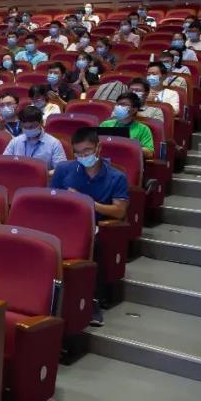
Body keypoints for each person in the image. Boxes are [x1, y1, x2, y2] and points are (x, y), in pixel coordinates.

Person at [50, 127, 130, 327]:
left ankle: (91, 300)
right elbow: (50, 201)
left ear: (98, 148)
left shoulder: (116, 176)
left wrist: (86, 202)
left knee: (95, 243)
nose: (83, 156)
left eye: (87, 151)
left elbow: (119, 211)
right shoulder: (64, 170)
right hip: (64, 223)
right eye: (78, 153)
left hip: (95, 224)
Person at [3, 106, 67, 171]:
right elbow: (5, 163)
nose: (28, 130)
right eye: (25, 127)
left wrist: (43, 174)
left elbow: (61, 170)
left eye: (31, 127)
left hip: (44, 176)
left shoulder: (54, 143)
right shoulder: (15, 141)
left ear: (41, 123)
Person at [99, 92, 154, 158]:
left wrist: (128, 146)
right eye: (118, 104)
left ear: (134, 109)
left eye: (123, 105)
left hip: (128, 161)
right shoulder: (106, 124)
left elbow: (149, 153)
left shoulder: (143, 129)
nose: (119, 107)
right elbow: (95, 144)